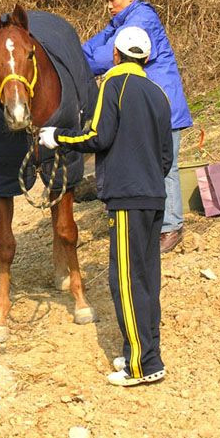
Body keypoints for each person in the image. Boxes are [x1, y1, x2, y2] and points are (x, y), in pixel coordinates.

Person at [39, 27, 173, 386]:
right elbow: (166, 157)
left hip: (127, 199)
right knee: (147, 280)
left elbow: (97, 135)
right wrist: (148, 180)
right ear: (145, 59)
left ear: (116, 56)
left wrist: (57, 138)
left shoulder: (114, 86)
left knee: (126, 283)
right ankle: (144, 353)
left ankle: (142, 367)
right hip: (153, 198)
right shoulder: (158, 93)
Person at [82, 0, 192, 253]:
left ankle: (171, 227)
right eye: (106, 1)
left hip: (162, 103)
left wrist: (81, 65)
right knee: (149, 164)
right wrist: (74, 57)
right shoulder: (121, 21)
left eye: (112, 0)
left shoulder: (141, 20)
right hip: (143, 105)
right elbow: (90, 48)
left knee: (166, 166)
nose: (108, 6)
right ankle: (158, 223)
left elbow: (109, 55)